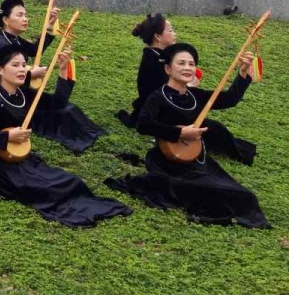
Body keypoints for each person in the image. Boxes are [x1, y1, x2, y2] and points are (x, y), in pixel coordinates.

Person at [0, 44, 132, 228]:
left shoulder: (23, 93)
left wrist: (62, 70)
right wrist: (7, 137)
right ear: (0, 69)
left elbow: (57, 103)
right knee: (46, 189)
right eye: (15, 65)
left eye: (24, 65)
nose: (22, 69)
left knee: (70, 181)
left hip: (22, 156)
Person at [106, 43, 267, 228]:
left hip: (198, 161)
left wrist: (243, 73)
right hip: (168, 162)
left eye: (191, 64)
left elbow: (229, 99)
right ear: (168, 69)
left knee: (244, 195)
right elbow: (143, 125)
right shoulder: (158, 97)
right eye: (181, 63)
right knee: (215, 193)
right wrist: (180, 132)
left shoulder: (195, 95)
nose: (187, 68)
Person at [0, 0, 104, 153]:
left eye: (25, 15)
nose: (25, 19)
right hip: (6, 95)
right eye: (19, 15)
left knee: (62, 105)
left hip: (16, 88)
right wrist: (30, 75)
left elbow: (33, 50)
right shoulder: (1, 45)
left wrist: (50, 25)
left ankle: (63, 72)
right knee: (60, 108)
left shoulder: (13, 39)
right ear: (6, 20)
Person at [117, 13, 176, 128]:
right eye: (170, 30)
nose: (174, 33)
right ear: (158, 36)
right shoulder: (154, 59)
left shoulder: (157, 56)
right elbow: (160, 91)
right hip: (156, 111)